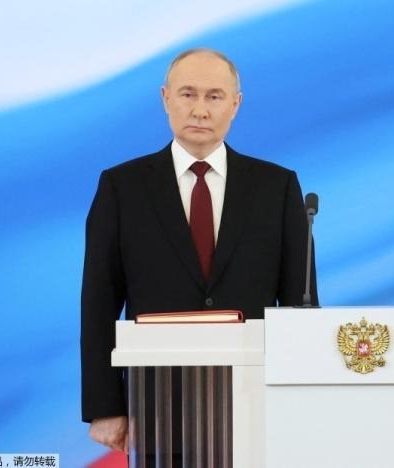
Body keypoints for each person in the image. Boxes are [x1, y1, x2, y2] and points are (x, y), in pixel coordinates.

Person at [81, 48, 317, 455]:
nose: (200, 110)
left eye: (214, 96)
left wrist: (301, 391)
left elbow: (301, 303)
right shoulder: (122, 187)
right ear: (165, 98)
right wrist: (105, 407)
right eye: (188, 94)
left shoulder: (276, 187)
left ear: (235, 104)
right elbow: (98, 302)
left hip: (254, 398)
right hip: (155, 399)